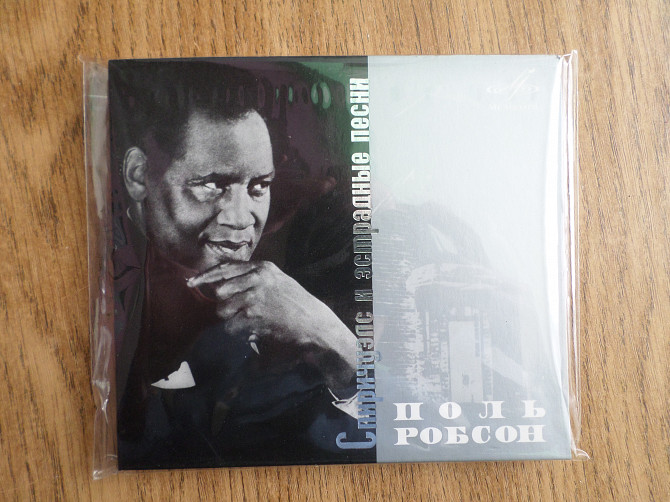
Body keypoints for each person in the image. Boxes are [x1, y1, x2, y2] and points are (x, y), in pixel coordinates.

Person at [110, 61, 367, 468]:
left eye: (258, 187)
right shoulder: (108, 300)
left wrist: (331, 337)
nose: (241, 217)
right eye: (213, 185)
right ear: (139, 175)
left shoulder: (281, 300)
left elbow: (388, 435)